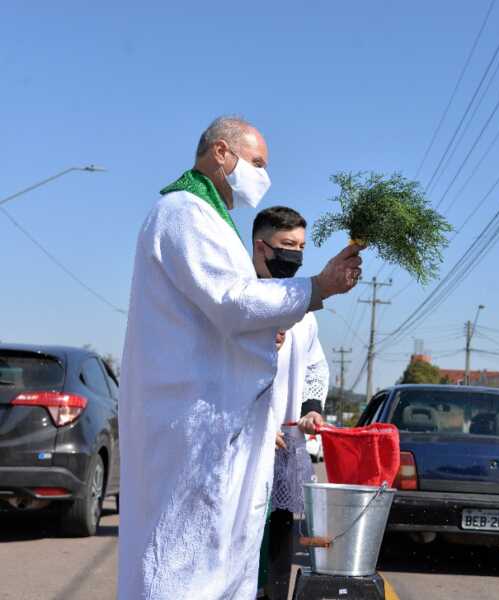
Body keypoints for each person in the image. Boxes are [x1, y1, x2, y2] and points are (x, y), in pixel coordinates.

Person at [118, 115, 361, 600]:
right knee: (182, 558)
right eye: (257, 162)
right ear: (221, 153)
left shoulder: (212, 219)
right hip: (192, 422)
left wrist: (265, 331)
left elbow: (228, 313)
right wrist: (316, 287)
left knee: (216, 557)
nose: (263, 175)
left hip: (217, 423)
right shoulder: (183, 212)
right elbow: (230, 301)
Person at [250, 206, 329, 600]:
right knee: (243, 546)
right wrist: (257, 427)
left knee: (279, 544)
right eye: (286, 245)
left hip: (285, 446)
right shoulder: (238, 299)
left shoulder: (302, 311)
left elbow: (315, 365)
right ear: (261, 247)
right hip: (243, 445)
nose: (295, 255)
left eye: (300, 247)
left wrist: (311, 409)